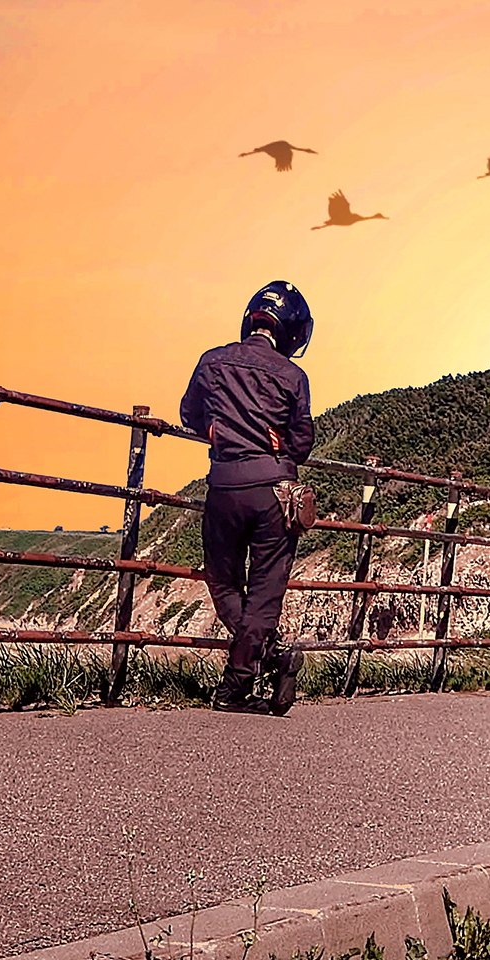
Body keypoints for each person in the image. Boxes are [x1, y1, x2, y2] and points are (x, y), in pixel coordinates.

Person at [181, 281, 316, 714]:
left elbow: (189, 413)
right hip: (275, 491)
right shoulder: (294, 376)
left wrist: (214, 430)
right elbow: (302, 441)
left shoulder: (213, 360)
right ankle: (257, 669)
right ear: (292, 331)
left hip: (224, 485)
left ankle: (248, 675)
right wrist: (275, 447)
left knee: (223, 583)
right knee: (264, 592)